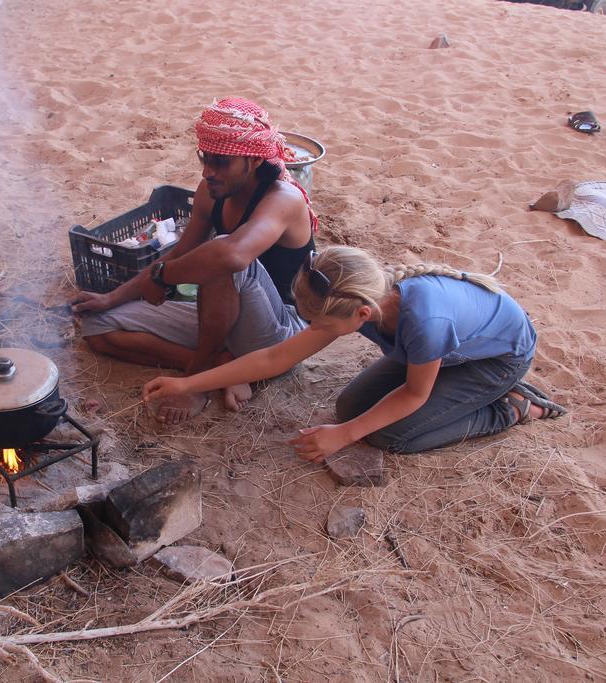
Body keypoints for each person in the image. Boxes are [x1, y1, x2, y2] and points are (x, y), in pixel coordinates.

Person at [143, 246, 566, 461]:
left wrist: (343, 437)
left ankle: (511, 407)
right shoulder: (363, 297)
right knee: (349, 408)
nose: (316, 332)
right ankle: (467, 393)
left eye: (323, 326)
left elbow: (414, 396)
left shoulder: (424, 322)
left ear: (363, 314)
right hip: (440, 354)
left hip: (495, 361)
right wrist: (187, 382)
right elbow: (275, 358)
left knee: (388, 436)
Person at [73, 97, 317, 424]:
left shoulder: (283, 199)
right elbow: (179, 254)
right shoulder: (210, 191)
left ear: (255, 161)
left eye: (221, 162)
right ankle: (222, 366)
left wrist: (162, 279)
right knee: (97, 327)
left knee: (221, 255)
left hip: (280, 330)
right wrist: (112, 297)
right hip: (224, 316)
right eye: (205, 159)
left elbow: (231, 255)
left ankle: (197, 377)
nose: (208, 172)